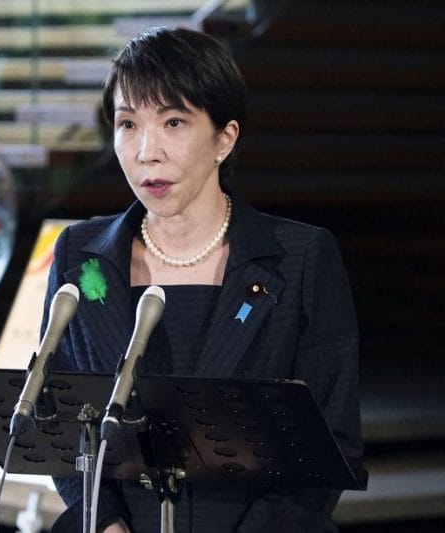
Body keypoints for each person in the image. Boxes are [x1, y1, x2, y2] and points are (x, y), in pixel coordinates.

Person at [42, 26, 365, 532]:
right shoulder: (79, 257)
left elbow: (333, 442)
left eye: (173, 122)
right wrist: (105, 524)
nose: (147, 151)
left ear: (224, 139)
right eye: (128, 124)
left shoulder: (301, 258)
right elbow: (61, 426)